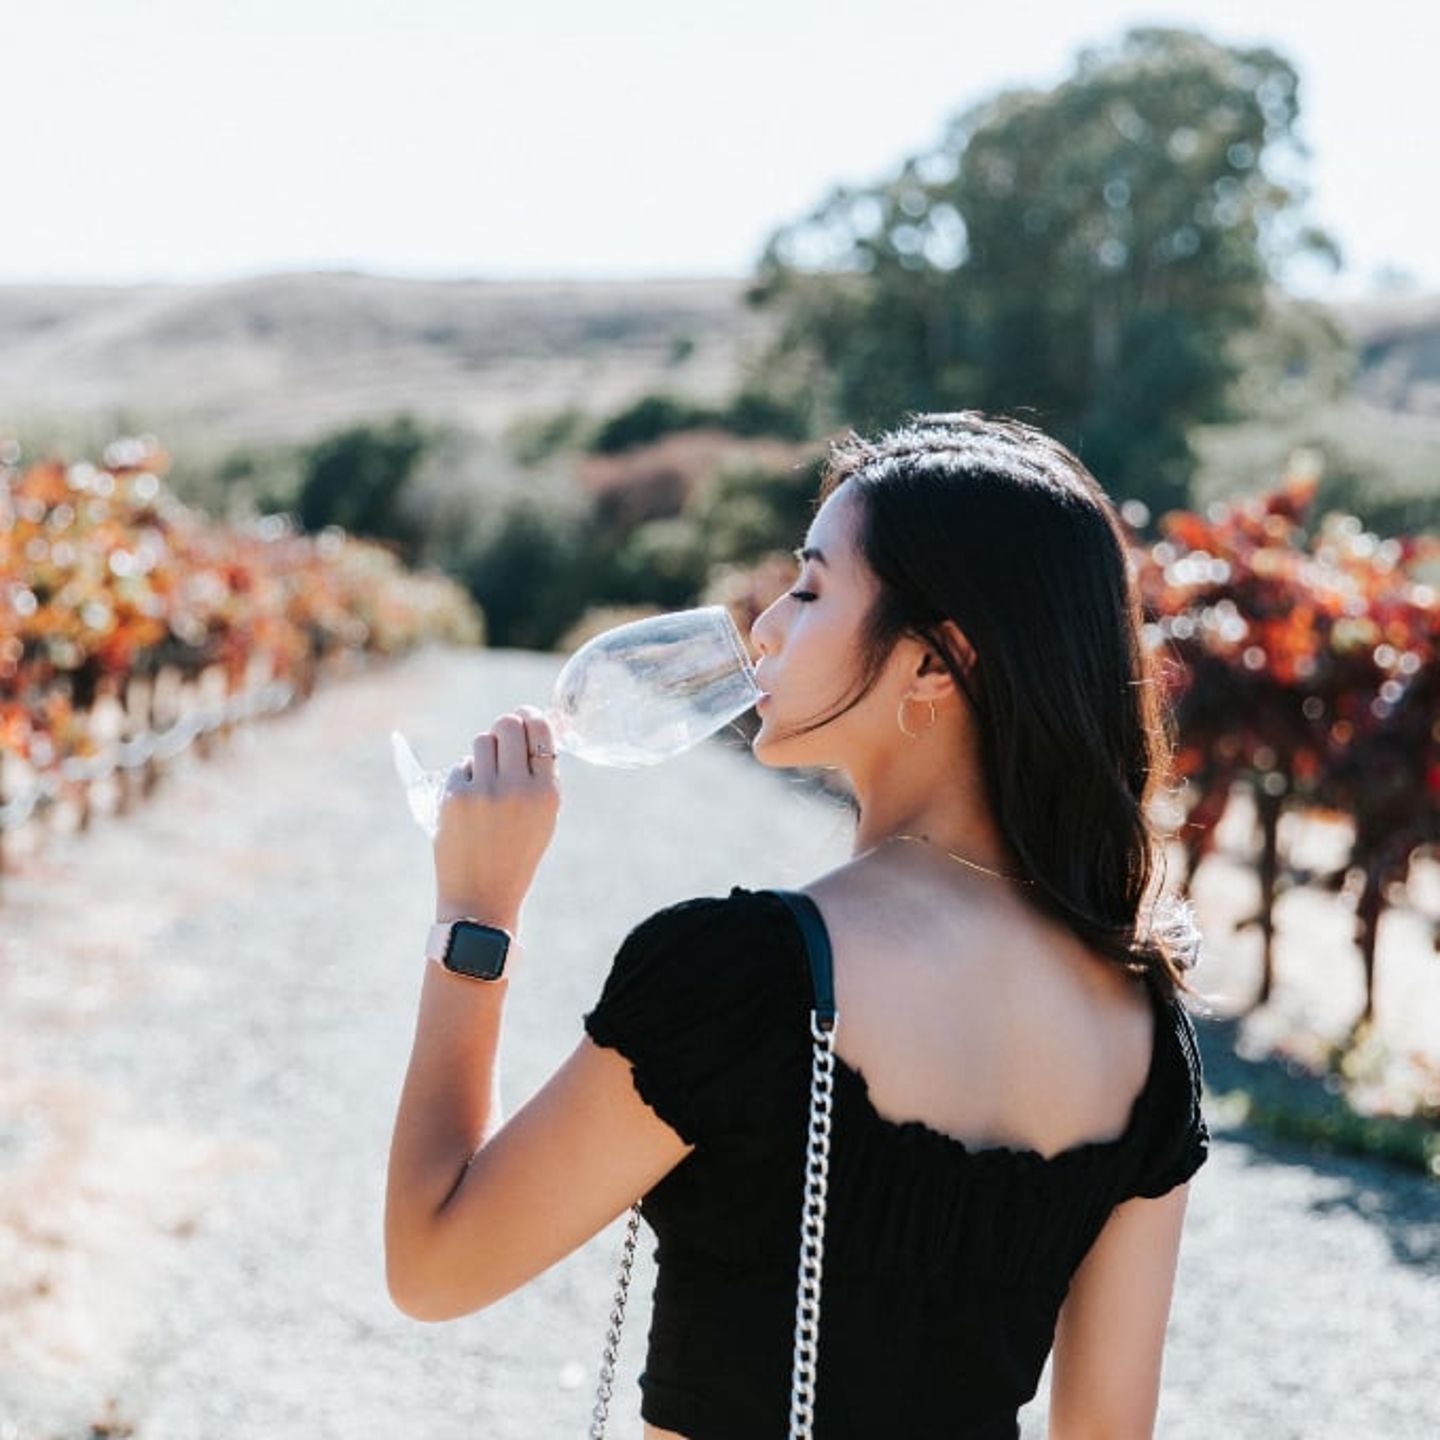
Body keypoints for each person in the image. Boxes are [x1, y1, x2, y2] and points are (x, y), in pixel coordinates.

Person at [385, 411, 1211, 1439]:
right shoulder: (1142, 1023)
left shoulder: (742, 975)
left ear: (933, 663)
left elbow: (433, 1264)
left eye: (812, 589)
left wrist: (475, 915)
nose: (765, 625)